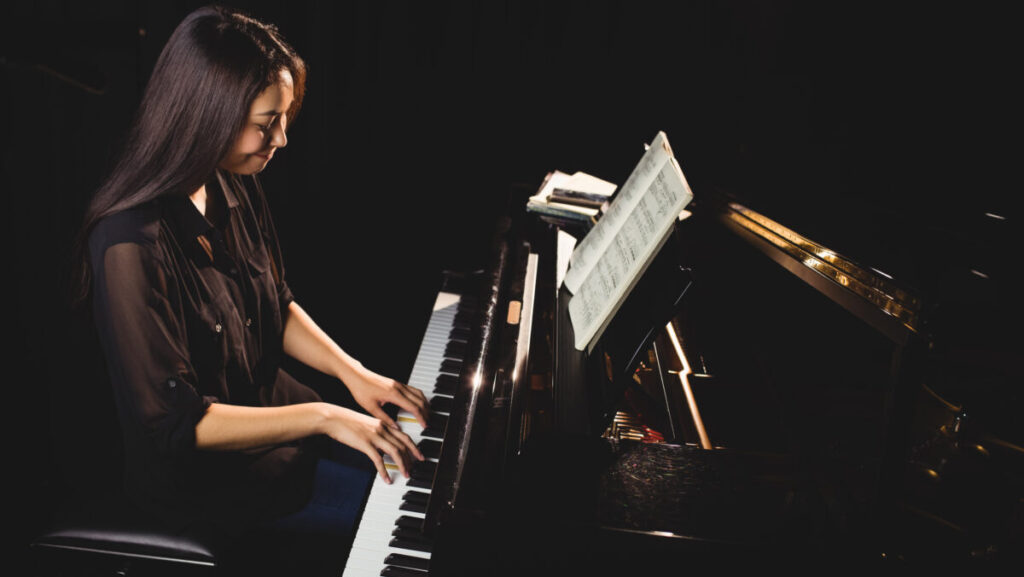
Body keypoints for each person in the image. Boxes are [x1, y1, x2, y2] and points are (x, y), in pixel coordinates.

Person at [72, 4, 427, 571]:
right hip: (216, 495)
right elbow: (177, 424)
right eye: (267, 123)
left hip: (288, 448)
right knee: (417, 526)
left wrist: (353, 376)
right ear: (208, 114)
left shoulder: (226, 177)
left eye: (282, 119)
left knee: (421, 467)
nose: (281, 139)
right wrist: (327, 416)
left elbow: (273, 303)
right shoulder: (129, 245)